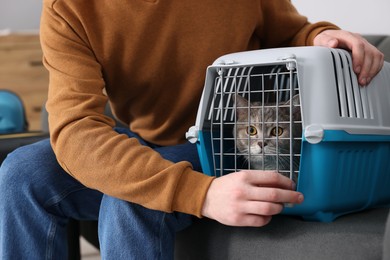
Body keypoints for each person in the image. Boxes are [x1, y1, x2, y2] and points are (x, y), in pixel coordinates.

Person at [0, 1, 384, 259]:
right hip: (143, 138)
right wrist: (198, 193)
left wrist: (322, 37)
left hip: (222, 138)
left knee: (134, 199)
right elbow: (75, 130)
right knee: (21, 175)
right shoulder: (68, 9)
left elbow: (291, 32)